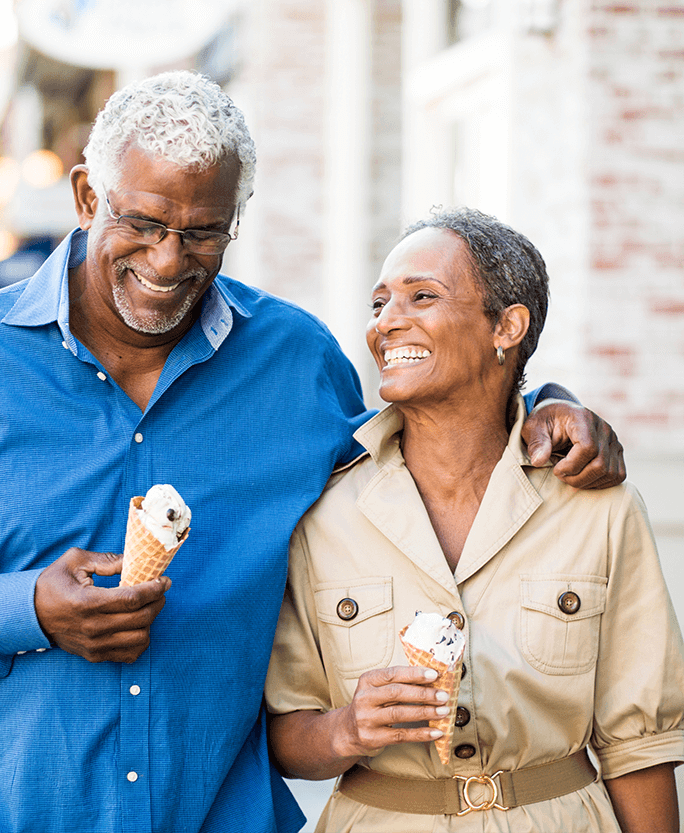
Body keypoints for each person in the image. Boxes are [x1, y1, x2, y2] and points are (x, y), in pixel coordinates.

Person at [0, 73, 624, 833]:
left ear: (234, 220)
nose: (170, 261)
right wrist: (24, 607)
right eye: (141, 223)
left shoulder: (293, 362)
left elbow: (417, 448)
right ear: (84, 198)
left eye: (203, 231)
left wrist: (541, 400)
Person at [265, 207, 684, 832]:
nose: (387, 322)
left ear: (507, 326)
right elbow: (285, 733)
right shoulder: (323, 512)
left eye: (421, 296)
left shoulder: (598, 507)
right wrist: (347, 729)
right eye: (379, 303)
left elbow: (638, 746)